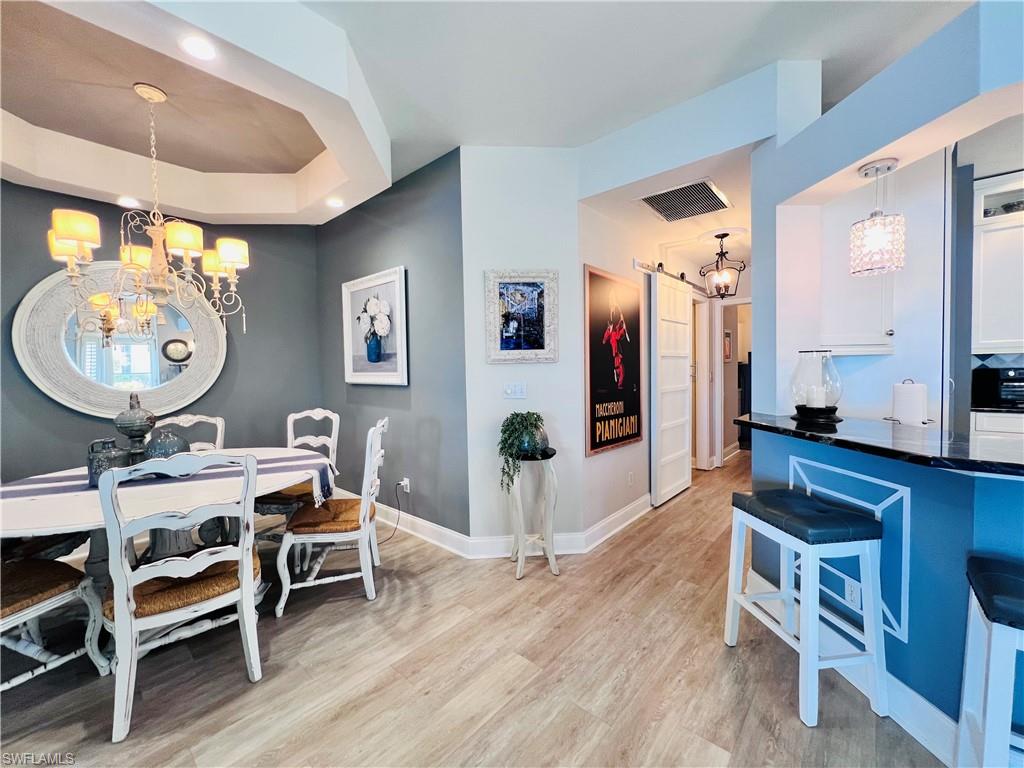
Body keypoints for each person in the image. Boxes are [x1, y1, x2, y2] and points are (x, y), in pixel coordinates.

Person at [602, 295, 630, 390]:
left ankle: (618, 378)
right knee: (620, 368)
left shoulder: (613, 330)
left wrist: (622, 323)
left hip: (617, 350)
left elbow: (617, 329)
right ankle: (618, 380)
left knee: (620, 367)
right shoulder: (611, 332)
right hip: (616, 350)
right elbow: (615, 335)